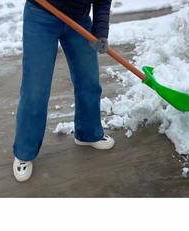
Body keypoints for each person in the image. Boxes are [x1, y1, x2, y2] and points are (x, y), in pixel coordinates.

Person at [12, 0, 115, 182]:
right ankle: (24, 152)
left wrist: (100, 32)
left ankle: (88, 133)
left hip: (78, 20)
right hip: (41, 15)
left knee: (89, 81)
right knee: (35, 89)